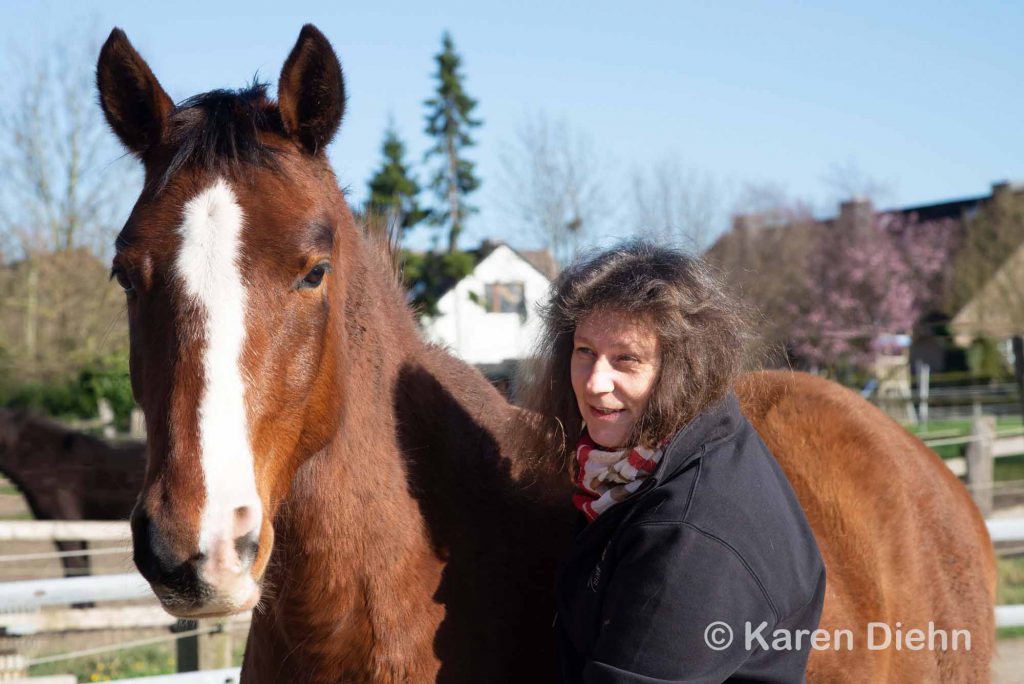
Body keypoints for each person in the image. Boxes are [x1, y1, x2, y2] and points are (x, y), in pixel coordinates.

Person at [517, 241, 825, 683]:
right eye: (584, 351)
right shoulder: (651, 458)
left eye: (626, 359)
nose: (596, 382)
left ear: (680, 369)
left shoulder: (689, 537)